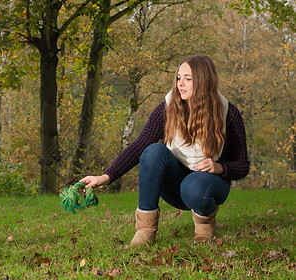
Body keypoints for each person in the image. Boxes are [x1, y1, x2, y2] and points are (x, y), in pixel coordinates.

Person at [80, 55, 250, 246]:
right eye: (178, 78)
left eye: (188, 78)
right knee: (153, 151)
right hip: (176, 188)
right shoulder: (167, 109)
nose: (180, 84)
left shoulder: (228, 113)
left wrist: (219, 167)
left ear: (204, 80)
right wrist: (106, 176)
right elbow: (139, 146)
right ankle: (145, 232)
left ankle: (205, 228)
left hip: (207, 187)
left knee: (193, 186)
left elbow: (243, 166)